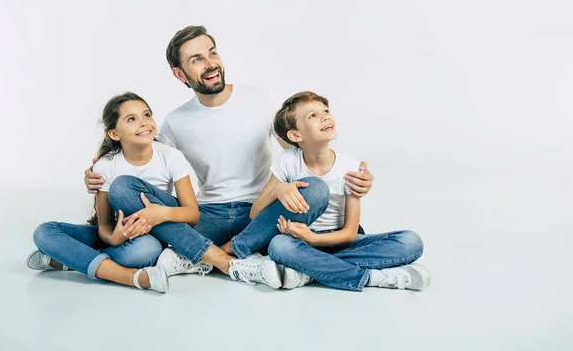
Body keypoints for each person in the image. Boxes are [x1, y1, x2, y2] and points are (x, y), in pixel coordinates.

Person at [84, 26, 375, 288]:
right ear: (179, 74)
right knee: (124, 188)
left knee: (316, 189)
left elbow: (302, 152)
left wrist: (347, 178)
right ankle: (227, 257)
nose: (210, 64)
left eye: (212, 53)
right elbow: (144, 162)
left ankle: (209, 254)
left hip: (261, 214)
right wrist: (103, 171)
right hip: (207, 216)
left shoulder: (263, 99)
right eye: (197, 59)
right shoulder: (175, 121)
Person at [246, 91, 430, 291]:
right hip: (299, 243)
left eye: (325, 111)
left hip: (337, 240)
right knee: (279, 246)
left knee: (411, 242)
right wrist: (277, 191)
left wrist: (314, 238)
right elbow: (255, 213)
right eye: (313, 116)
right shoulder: (288, 161)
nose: (325, 116)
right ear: (295, 135)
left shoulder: (351, 168)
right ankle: (371, 278)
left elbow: (350, 233)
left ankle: (308, 269)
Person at [26, 92, 203, 293]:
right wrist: (114, 238)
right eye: (131, 119)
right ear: (114, 134)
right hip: (119, 235)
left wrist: (160, 214)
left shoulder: (171, 157)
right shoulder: (106, 166)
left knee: (146, 251)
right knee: (44, 232)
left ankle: (68, 259)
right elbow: (105, 226)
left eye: (147, 115)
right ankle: (130, 277)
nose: (144, 123)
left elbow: (193, 214)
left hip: (152, 235)